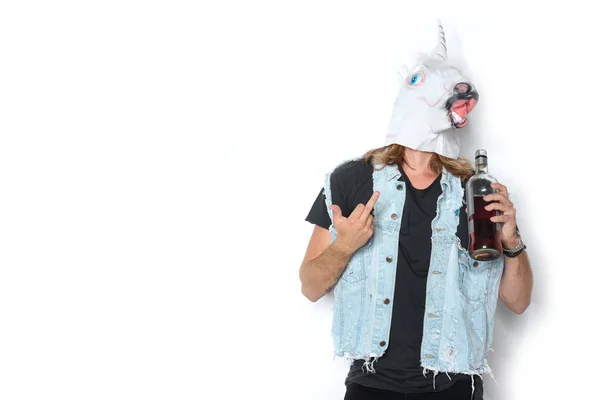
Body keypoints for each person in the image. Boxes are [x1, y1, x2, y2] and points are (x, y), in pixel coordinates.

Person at [299, 22, 533, 400]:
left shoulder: (477, 191)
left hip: (455, 386)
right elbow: (310, 287)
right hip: (372, 386)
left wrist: (511, 240)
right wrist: (346, 245)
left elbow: (518, 303)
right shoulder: (352, 181)